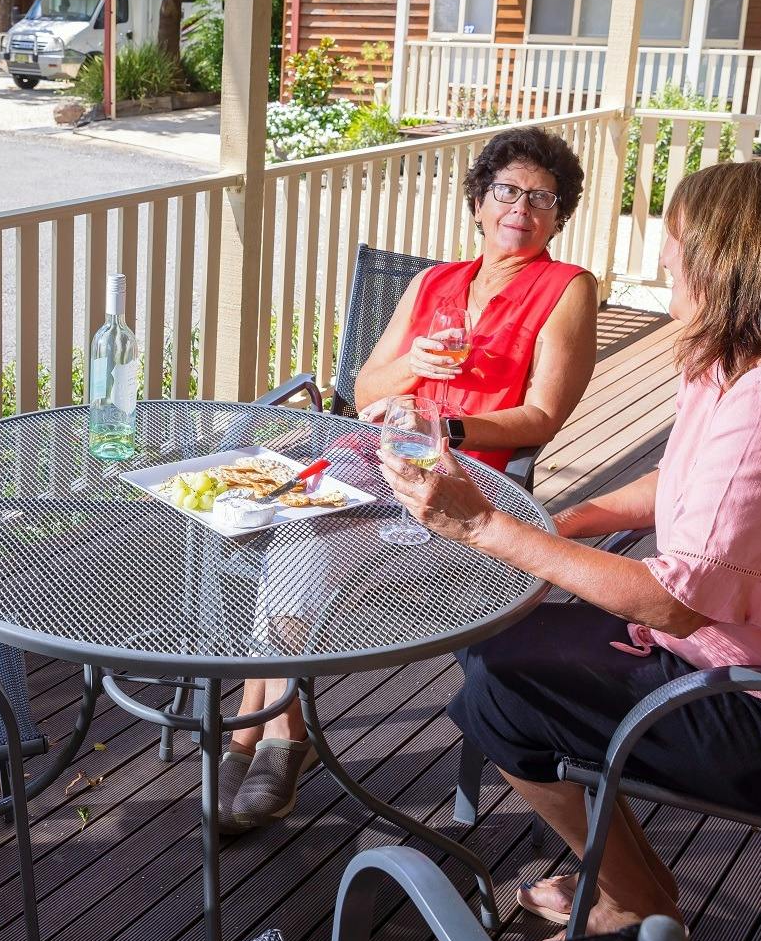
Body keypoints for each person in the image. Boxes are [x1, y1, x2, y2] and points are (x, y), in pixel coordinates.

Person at [382, 160, 761, 941]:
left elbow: (677, 601)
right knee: (503, 644)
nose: (663, 252)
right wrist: (563, 522)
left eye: (676, 236)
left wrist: (488, 526)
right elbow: (678, 482)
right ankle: (637, 896)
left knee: (501, 685)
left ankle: (642, 919)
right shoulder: (747, 363)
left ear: (720, 255)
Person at [220, 126, 598, 834]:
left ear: (557, 213)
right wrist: (416, 364)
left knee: (297, 541)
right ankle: (273, 727)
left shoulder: (566, 289)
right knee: (261, 504)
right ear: (480, 201)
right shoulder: (433, 283)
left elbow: (542, 414)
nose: (521, 206)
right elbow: (366, 389)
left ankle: (262, 730)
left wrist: (447, 429)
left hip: (458, 482)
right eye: (507, 190)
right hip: (370, 454)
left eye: (541, 196)